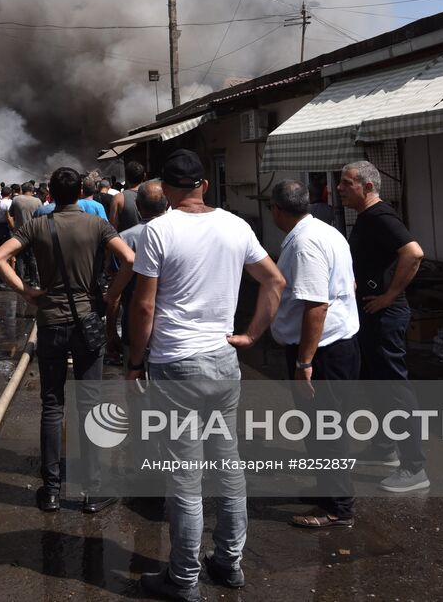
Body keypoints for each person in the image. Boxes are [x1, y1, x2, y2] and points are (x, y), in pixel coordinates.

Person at [129, 149, 286, 600]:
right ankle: (229, 563)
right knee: (228, 465)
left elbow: (144, 306)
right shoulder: (236, 226)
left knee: (184, 475)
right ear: (205, 185)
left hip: (175, 363)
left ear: (166, 189)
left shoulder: (158, 230)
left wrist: (135, 362)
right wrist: (252, 335)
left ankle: (183, 580)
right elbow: (275, 281)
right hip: (222, 361)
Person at [0, 168, 134, 515]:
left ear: (50, 194)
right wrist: (110, 297)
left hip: (51, 321)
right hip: (87, 321)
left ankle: (51, 490)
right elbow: (129, 259)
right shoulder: (97, 225)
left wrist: (26, 292)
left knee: (52, 405)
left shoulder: (37, 225)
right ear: (82, 192)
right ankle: (92, 490)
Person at [268, 180, 362, 528]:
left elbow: (316, 305)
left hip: (323, 349)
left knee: (326, 427)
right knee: (322, 425)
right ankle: (328, 490)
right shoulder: (326, 231)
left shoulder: (305, 243)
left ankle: (338, 507)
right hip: (337, 344)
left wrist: (304, 362)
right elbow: (347, 284)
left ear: (278, 210)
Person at [337, 161, 428, 493]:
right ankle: (384, 447)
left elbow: (413, 253)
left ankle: (414, 466)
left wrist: (390, 296)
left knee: (394, 388)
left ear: (368, 187)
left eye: (347, 183)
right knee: (376, 385)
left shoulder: (380, 216)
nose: (339, 188)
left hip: (385, 316)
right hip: (370, 315)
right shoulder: (366, 217)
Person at [104, 179, 167, 367]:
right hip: (172, 330)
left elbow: (116, 293)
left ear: (138, 206)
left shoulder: (124, 239)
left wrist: (110, 331)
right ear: (168, 204)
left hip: (134, 328)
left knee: (135, 385)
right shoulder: (182, 233)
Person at [7, 182, 42, 285]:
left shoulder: (16, 200)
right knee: (32, 257)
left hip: (19, 233)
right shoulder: (38, 201)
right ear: (32, 190)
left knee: (20, 258)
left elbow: (10, 214)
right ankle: (33, 280)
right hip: (33, 233)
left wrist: (14, 227)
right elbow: (40, 217)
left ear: (22, 190)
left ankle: (19, 280)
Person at [111, 162, 146, 231]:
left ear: (126, 177)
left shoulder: (118, 198)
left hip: (125, 241)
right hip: (149, 240)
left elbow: (113, 227)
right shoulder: (154, 194)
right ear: (144, 176)